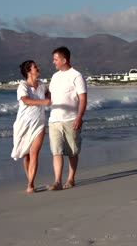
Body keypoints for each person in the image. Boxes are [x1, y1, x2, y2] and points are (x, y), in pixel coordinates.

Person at [47, 46, 87, 191]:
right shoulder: (55, 76)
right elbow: (50, 96)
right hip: (54, 120)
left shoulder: (76, 76)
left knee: (72, 152)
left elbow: (83, 99)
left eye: (56, 59)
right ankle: (57, 181)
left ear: (64, 60)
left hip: (71, 119)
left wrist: (79, 117)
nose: (54, 62)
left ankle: (71, 178)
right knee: (56, 151)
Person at [11, 60, 51, 193]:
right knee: (26, 156)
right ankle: (30, 182)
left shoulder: (41, 85)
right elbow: (26, 100)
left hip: (39, 123)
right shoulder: (22, 86)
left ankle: (30, 185)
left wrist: (49, 97)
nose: (38, 68)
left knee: (34, 153)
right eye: (35, 67)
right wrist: (43, 101)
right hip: (24, 124)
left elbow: (49, 94)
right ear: (29, 71)